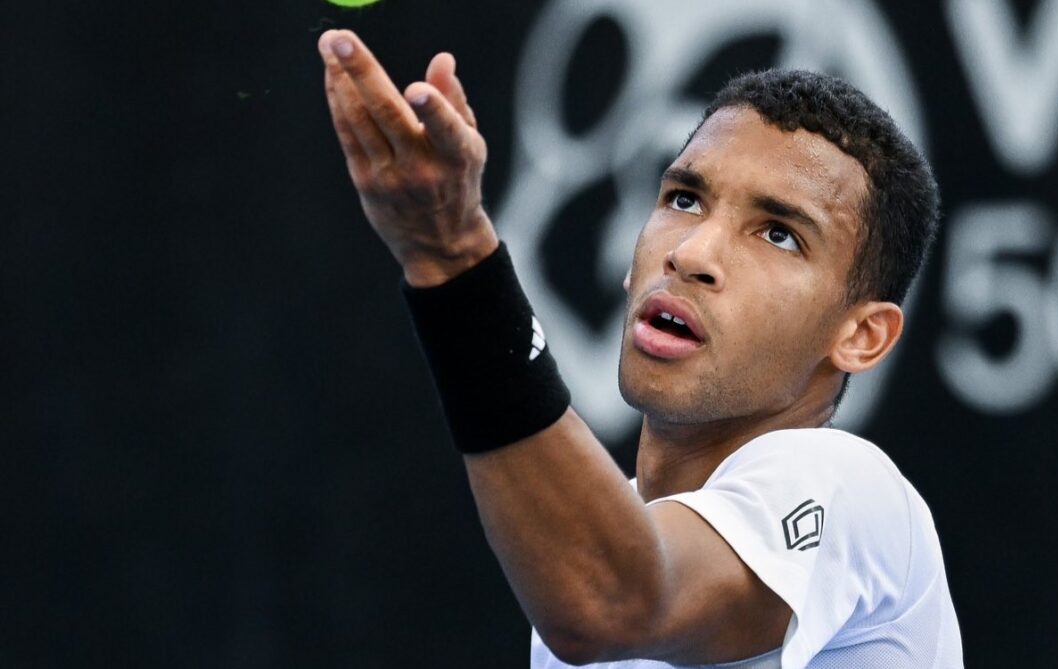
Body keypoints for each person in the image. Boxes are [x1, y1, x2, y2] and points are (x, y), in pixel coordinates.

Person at [316, 27, 962, 669]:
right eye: (684, 199)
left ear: (859, 335)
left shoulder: (850, 487)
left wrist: (453, 254)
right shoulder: (585, 553)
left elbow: (614, 601)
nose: (691, 253)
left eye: (779, 234)